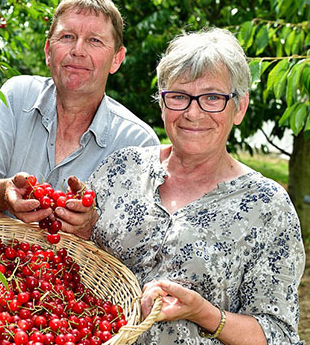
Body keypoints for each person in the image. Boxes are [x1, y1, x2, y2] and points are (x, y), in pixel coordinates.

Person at [54, 28, 306, 344]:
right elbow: (71, 260)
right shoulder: (122, 168)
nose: (193, 112)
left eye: (213, 97)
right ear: (161, 103)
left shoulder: (267, 206)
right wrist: (79, 226)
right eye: (178, 96)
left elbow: (278, 335)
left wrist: (204, 313)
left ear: (239, 107)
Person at [0, 0, 159, 223]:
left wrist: (91, 227)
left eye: (94, 41)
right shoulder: (17, 97)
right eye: (67, 37)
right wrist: (4, 192)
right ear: (48, 51)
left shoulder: (138, 144)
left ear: (116, 59)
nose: (78, 50)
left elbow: (134, 243)